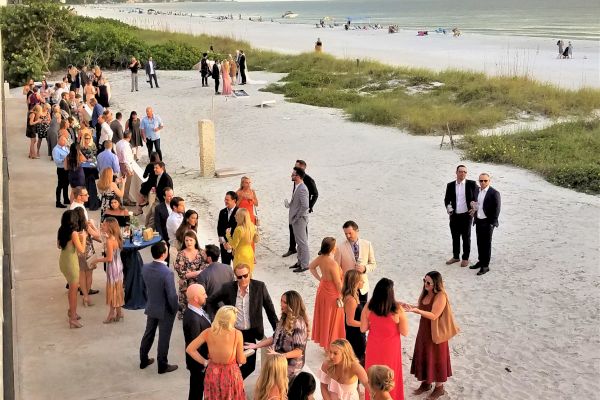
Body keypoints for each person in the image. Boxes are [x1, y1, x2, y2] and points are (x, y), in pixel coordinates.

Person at [208, 264, 278, 378]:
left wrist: (278, 331)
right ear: (236, 277)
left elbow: (270, 310)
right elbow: (211, 301)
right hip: (233, 332)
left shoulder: (259, 287)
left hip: (251, 332)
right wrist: (216, 318)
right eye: (239, 277)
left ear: (249, 274)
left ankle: (234, 383)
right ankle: (233, 387)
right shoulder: (228, 288)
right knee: (232, 362)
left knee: (250, 366)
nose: (243, 279)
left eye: (245, 276)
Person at [403, 272, 453, 400]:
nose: (425, 284)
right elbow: (422, 307)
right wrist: (410, 307)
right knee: (425, 353)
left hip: (435, 332)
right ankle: (426, 382)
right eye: (424, 281)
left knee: (436, 357)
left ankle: (439, 388)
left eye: (428, 282)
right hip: (424, 330)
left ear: (436, 283)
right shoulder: (426, 293)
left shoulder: (441, 296)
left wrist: (417, 310)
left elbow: (434, 315)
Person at [361, 278, 409, 400]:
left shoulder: (369, 306)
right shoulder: (397, 309)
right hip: (391, 349)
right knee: (390, 377)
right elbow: (405, 332)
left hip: (373, 347)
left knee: (372, 376)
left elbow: (363, 329)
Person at [245, 290, 309, 380]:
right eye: (281, 301)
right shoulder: (284, 317)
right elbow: (275, 337)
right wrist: (257, 345)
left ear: (292, 305)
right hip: (278, 362)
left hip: (289, 368)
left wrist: (279, 355)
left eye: (285, 302)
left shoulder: (299, 323)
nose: (281, 304)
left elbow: (299, 351)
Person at [185, 306, 247, 400]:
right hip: (230, 375)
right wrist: (246, 355)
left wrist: (204, 361)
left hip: (213, 373)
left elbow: (190, 349)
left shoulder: (208, 332)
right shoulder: (237, 334)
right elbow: (240, 359)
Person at [139, 241, 179, 374]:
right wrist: (175, 309)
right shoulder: (167, 273)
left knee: (148, 333)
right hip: (165, 309)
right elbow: (172, 296)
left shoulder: (145, 267)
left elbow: (145, 287)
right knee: (164, 337)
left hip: (152, 305)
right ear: (164, 254)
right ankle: (162, 364)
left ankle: (143, 359)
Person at [309, 237, 345, 350]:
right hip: (332, 293)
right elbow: (338, 282)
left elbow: (311, 267)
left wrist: (320, 279)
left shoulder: (320, 258)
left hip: (322, 289)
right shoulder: (333, 264)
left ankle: (326, 343)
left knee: (325, 317)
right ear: (333, 248)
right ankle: (331, 345)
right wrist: (342, 296)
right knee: (333, 318)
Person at [90, 217, 125, 323]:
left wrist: (96, 260)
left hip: (113, 268)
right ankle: (119, 312)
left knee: (112, 290)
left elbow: (109, 258)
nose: (102, 225)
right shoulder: (115, 237)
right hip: (118, 266)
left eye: (104, 225)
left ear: (109, 227)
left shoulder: (110, 241)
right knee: (117, 289)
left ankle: (111, 314)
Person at [444, 165, 479, 267]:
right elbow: (447, 200)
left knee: (466, 237)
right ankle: (455, 256)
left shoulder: (471, 184)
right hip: (454, 216)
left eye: (465, 172)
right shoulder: (450, 185)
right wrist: (449, 208)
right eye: (460, 171)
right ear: (456, 172)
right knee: (455, 236)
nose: (462, 173)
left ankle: (465, 258)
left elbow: (477, 198)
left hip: (466, 216)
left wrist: (474, 207)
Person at [334, 220, 376, 304]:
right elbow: (336, 269)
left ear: (357, 231)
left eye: (350, 233)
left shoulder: (367, 244)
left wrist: (364, 268)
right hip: (347, 288)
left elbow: (373, 264)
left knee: (362, 313)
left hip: (362, 287)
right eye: (345, 234)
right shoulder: (340, 248)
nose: (348, 236)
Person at [283, 160, 318, 260]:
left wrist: (309, 207)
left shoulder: (308, 181)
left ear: (302, 168)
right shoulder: (296, 180)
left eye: (296, 167)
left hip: (302, 213)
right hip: (295, 210)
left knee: (302, 233)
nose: (294, 169)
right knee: (292, 229)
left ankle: (303, 254)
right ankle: (292, 248)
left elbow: (315, 194)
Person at [57, 210, 87, 328]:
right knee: (73, 292)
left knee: (71, 288)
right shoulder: (74, 233)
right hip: (71, 263)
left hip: (63, 261)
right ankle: (73, 318)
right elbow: (82, 250)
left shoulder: (61, 230)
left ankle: (71, 311)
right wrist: (83, 237)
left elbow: (59, 245)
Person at [182, 284, 212, 400]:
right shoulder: (193, 319)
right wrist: (205, 362)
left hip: (199, 363)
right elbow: (194, 347)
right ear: (195, 298)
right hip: (198, 365)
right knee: (196, 392)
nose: (206, 296)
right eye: (203, 294)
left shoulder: (196, 310)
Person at [469, 173, 501, 275]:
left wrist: (492, 223)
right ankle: (480, 261)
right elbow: (476, 203)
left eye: (485, 181)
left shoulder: (494, 193)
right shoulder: (477, 190)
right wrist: (473, 206)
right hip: (478, 220)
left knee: (486, 244)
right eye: (481, 181)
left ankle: (485, 266)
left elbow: (497, 209)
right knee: (479, 242)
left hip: (488, 222)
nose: (483, 182)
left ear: (489, 181)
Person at [174, 231, 207, 318]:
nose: (188, 242)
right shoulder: (181, 254)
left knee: (198, 308)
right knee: (185, 311)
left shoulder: (201, 253)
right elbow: (181, 273)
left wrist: (188, 274)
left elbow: (204, 270)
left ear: (195, 241)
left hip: (198, 284)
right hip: (185, 286)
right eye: (186, 240)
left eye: (191, 240)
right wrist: (196, 272)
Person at [197, 244, 235, 317]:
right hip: (228, 308)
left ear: (209, 258)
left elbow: (202, 298)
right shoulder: (229, 268)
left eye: (204, 254)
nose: (202, 255)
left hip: (212, 312)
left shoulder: (203, 274)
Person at [286, 167, 310, 272]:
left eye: (293, 174)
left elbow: (305, 206)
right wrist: (289, 205)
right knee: (299, 242)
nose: (291, 176)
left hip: (299, 220)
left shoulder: (302, 188)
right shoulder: (297, 186)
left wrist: (297, 217)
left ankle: (304, 265)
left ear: (298, 176)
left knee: (302, 242)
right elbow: (298, 203)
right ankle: (300, 262)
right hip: (296, 219)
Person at [342, 270, 366, 364]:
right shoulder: (351, 299)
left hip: (357, 332)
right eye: (361, 280)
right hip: (355, 335)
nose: (363, 282)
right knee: (357, 359)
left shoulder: (355, 294)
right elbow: (349, 321)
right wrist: (365, 324)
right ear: (355, 282)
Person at [225, 208, 259, 275]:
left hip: (240, 254)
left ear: (241, 217)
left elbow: (234, 245)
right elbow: (256, 240)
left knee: (240, 274)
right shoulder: (252, 226)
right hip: (250, 252)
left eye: (236, 215)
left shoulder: (239, 229)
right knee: (249, 274)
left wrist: (228, 235)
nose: (235, 216)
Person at [217, 191, 238, 265]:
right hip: (224, 245)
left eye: (227, 200)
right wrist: (224, 242)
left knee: (238, 266)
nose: (225, 201)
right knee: (225, 266)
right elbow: (219, 227)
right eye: (225, 199)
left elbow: (238, 229)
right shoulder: (222, 212)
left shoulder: (240, 212)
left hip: (236, 245)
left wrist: (231, 244)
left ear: (234, 200)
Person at [115, 131, 136, 205]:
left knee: (124, 182)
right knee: (127, 183)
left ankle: (123, 197)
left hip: (120, 164)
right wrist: (129, 169)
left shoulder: (118, 143)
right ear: (130, 137)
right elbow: (126, 158)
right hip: (125, 165)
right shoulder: (126, 146)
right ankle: (125, 199)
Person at [53, 135, 71, 208]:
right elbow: (57, 160)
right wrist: (65, 159)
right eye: (63, 140)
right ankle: (58, 202)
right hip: (61, 169)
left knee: (66, 184)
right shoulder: (56, 149)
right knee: (60, 185)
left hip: (67, 169)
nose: (65, 142)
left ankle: (66, 199)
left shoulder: (65, 147)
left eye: (65, 140)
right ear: (59, 141)